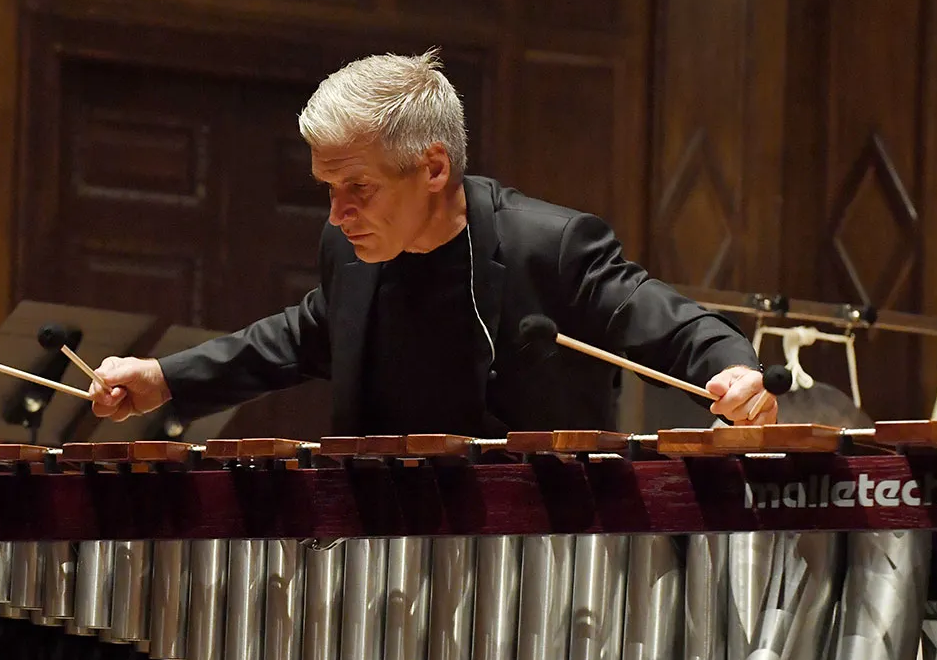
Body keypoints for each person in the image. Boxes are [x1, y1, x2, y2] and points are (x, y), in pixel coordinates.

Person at [91, 49, 777, 434]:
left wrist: (735, 372)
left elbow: (669, 323)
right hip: (383, 554)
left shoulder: (549, 245)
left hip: (536, 562)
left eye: (357, 187)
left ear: (434, 168)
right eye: (328, 188)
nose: (338, 214)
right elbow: (303, 337)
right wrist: (165, 378)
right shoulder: (349, 251)